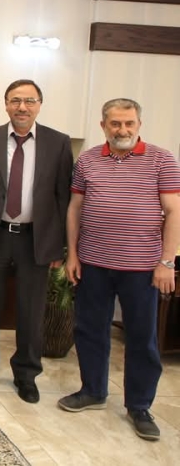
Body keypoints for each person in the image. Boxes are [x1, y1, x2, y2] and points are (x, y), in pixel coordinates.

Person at [59, 98, 180, 441]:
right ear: (104, 126)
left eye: (129, 123)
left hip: (141, 268)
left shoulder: (161, 160)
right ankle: (93, 390)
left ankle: (139, 405)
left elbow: (174, 211)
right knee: (89, 329)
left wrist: (166, 262)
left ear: (139, 124)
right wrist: (73, 255)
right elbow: (75, 208)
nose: (122, 129)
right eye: (115, 123)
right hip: (93, 263)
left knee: (142, 337)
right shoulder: (87, 160)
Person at [0, 80, 73, 403]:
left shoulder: (58, 143)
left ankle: (26, 374)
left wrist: (58, 246)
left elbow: (63, 197)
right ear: (6, 104)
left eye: (29, 101)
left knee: (31, 310)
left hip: (35, 239)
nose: (22, 107)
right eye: (15, 100)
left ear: (39, 104)